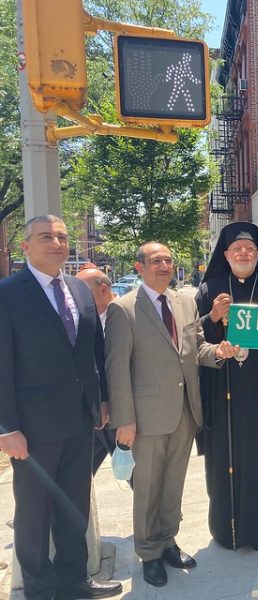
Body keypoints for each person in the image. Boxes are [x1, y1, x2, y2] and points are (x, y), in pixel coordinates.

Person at [0, 215, 122, 600]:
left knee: (73, 508)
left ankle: (74, 582)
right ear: (26, 246)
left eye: (61, 236)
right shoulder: (8, 293)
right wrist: (6, 427)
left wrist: (100, 399)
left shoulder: (80, 290)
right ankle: (39, 590)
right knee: (34, 516)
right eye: (45, 236)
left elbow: (93, 352)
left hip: (79, 420)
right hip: (32, 429)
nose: (55, 242)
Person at [104, 241, 235, 588]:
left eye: (168, 260)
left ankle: (168, 542)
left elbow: (197, 348)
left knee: (173, 485)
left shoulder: (186, 302)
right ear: (140, 267)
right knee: (147, 488)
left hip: (185, 412)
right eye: (156, 261)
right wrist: (124, 420)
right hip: (144, 419)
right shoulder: (124, 309)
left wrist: (218, 352)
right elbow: (116, 369)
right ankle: (148, 554)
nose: (164, 266)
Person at [196, 222, 258, 550]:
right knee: (230, 457)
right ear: (225, 255)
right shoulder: (209, 289)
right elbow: (190, 338)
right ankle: (231, 530)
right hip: (224, 391)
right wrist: (212, 317)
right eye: (237, 249)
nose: (244, 254)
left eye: (250, 250)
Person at [76, 268, 118, 475]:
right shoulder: (79, 320)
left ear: (103, 290)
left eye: (80, 290)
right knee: (77, 477)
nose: (74, 295)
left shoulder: (130, 312)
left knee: (141, 478)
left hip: (122, 415)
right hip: (92, 416)